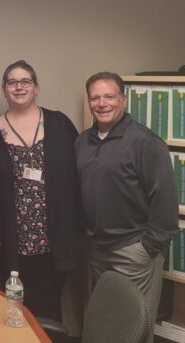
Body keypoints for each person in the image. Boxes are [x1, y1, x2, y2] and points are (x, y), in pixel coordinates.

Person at [76, 72, 177, 339]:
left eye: (109, 96)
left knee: (134, 328)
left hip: (133, 251)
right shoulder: (83, 141)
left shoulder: (145, 142)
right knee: (106, 327)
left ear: (123, 99)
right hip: (98, 250)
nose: (102, 103)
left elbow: (165, 201)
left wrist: (147, 248)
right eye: (95, 97)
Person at [0, 60, 81, 320]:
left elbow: (80, 173)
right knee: (12, 309)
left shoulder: (59, 123)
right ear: (4, 89)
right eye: (12, 82)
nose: (19, 87)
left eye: (25, 81)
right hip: (11, 240)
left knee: (49, 308)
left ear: (36, 87)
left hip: (55, 238)